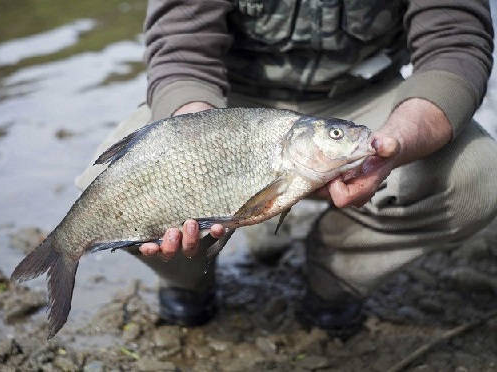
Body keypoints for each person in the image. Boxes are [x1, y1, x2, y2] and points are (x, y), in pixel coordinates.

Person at [76, 0, 497, 335]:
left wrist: (398, 142)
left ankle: (337, 275)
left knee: (480, 176)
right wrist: (199, 140)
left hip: (359, 97)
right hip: (227, 103)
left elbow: (455, 44)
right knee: (108, 188)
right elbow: (182, 50)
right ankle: (187, 278)